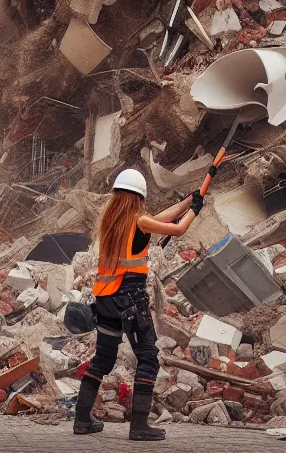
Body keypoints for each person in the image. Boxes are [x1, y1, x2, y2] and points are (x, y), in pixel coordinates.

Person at [73, 168, 202, 441]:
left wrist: (189, 202)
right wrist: (194, 212)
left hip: (105, 300)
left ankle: (82, 420)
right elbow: (177, 229)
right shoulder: (138, 221)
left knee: (103, 359)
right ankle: (140, 426)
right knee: (148, 358)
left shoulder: (112, 222)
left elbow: (156, 220)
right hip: (129, 300)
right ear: (139, 198)